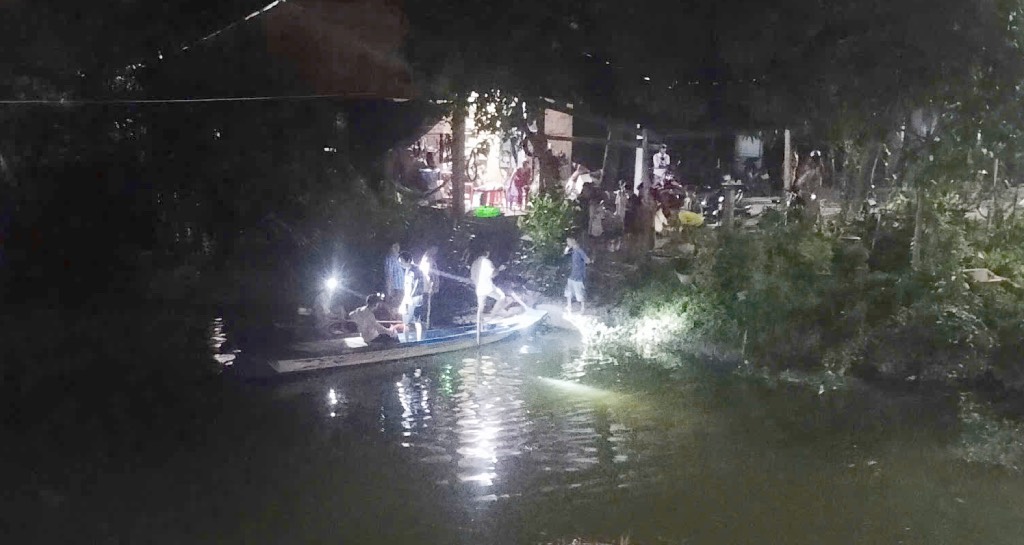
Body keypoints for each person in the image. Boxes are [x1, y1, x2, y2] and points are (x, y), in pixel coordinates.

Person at [470, 249, 507, 326]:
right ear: (487, 253)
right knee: (501, 297)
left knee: (480, 306)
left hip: (479, 287)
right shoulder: (487, 262)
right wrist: (500, 269)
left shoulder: (474, 263)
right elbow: (493, 274)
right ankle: (491, 316)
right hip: (487, 286)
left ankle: (479, 324)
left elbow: (472, 277)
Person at [398, 251, 424, 341]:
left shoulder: (411, 272)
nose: (400, 264)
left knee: (406, 322)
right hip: (418, 298)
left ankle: (407, 341)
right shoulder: (416, 270)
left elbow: (412, 287)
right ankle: (418, 340)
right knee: (417, 321)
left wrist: (407, 299)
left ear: (408, 260)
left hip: (411, 299)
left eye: (401, 261)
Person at [564, 237, 593, 314]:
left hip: (578, 275)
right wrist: (567, 248)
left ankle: (583, 308)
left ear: (573, 241)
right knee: (568, 291)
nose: (567, 243)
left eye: (568, 241)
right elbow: (565, 254)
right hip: (572, 274)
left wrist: (584, 263)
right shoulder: (573, 251)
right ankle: (569, 306)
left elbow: (587, 260)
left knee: (579, 292)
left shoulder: (579, 251)